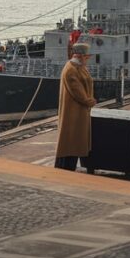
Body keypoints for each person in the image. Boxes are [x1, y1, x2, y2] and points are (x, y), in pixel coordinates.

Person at [55, 42, 97, 171]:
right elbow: (77, 92)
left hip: (78, 113)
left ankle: (67, 168)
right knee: (70, 143)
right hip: (73, 114)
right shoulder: (71, 70)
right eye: (86, 57)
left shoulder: (78, 67)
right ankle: (65, 170)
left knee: (73, 143)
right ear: (80, 56)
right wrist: (89, 101)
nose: (87, 59)